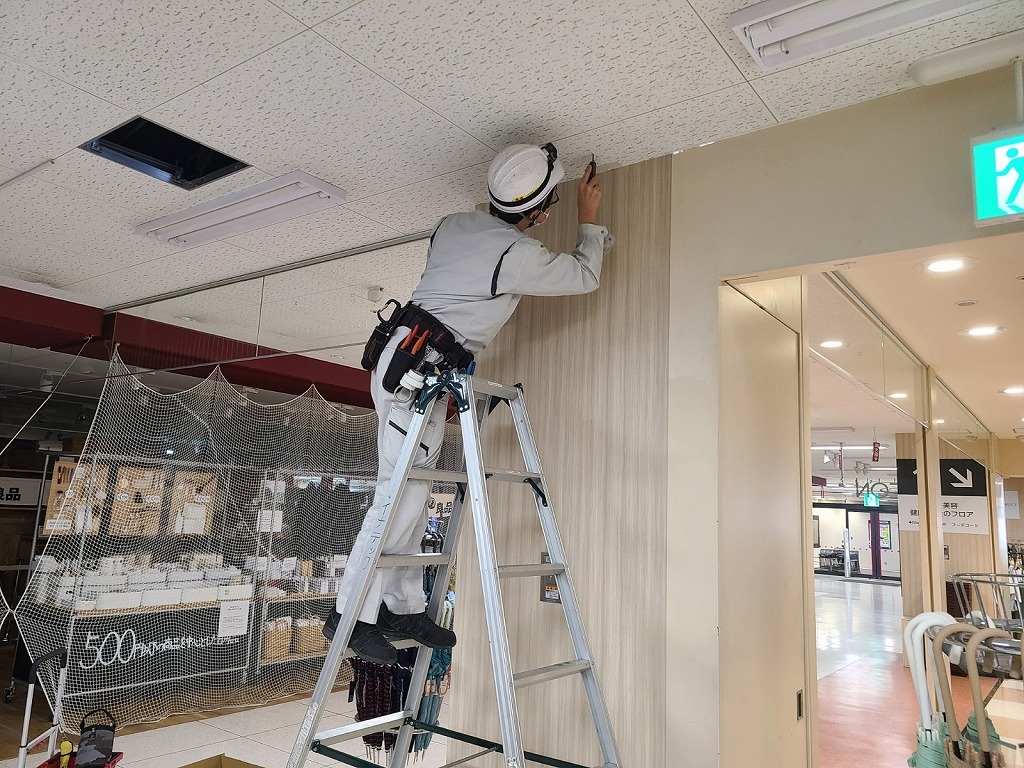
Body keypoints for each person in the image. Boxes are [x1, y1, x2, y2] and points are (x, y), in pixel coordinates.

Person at [323, 142, 612, 665]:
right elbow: (584, 276)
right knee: (395, 496)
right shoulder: (517, 255)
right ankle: (349, 617)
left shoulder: (452, 225)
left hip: (411, 365)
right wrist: (589, 219)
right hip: (416, 374)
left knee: (413, 493)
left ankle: (401, 607)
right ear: (539, 211)